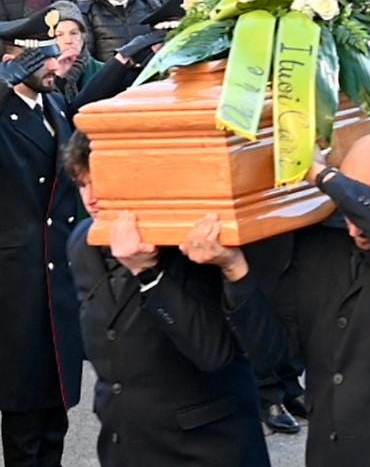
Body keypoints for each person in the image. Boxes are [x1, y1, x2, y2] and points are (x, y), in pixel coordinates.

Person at [181, 133, 370, 467]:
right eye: (346, 213)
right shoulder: (317, 246)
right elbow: (275, 355)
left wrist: (322, 176)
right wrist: (235, 270)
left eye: (361, 207)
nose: (356, 228)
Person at [63, 130, 271, 467]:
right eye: (83, 183)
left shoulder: (192, 243)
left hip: (206, 450)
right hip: (126, 445)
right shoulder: (80, 242)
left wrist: (149, 274)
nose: (92, 196)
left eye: (101, 180)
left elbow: (214, 351)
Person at [0, 3, 82, 467]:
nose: (55, 64)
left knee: (57, 407)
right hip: (15, 276)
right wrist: (1, 82)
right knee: (24, 410)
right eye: (43, 57)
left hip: (58, 273)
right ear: (17, 59)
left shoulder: (55, 105)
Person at [49, 0, 101, 105]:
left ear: (83, 35)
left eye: (73, 33)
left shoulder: (101, 71)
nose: (68, 41)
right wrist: (58, 80)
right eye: (59, 35)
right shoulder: (44, 75)